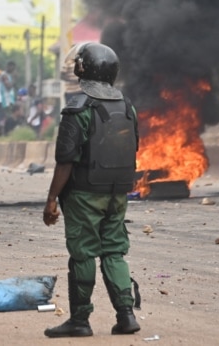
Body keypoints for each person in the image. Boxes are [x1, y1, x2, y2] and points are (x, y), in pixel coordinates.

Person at [42, 42, 141, 338]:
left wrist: (51, 200)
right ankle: (126, 316)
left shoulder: (78, 108)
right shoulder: (127, 106)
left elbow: (65, 161)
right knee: (114, 252)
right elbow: (134, 148)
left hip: (84, 195)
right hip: (117, 193)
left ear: (83, 69)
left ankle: (80, 321)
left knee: (83, 254)